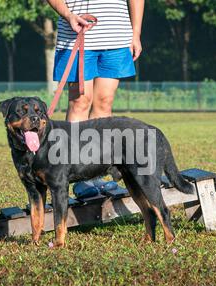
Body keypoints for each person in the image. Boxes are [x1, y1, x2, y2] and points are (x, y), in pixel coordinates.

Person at [47, 0, 145, 198]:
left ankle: (96, 174)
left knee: (104, 102)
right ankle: (78, 175)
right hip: (77, 34)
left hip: (116, 37)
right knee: (80, 102)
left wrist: (136, 33)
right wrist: (68, 14)